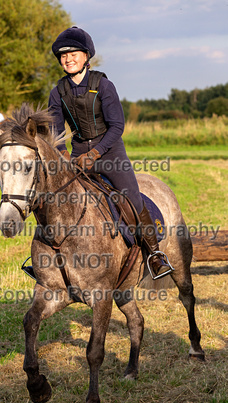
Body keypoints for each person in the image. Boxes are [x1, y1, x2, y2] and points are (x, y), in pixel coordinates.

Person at [48, 26, 173, 279]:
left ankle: (154, 254)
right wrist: (61, 151)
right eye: (63, 56)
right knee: (55, 198)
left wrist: (96, 153)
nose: (68, 59)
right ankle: (48, 258)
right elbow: (55, 127)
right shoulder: (57, 92)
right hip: (77, 155)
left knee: (132, 199)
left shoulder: (104, 86)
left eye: (73, 54)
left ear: (86, 57)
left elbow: (117, 126)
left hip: (111, 153)